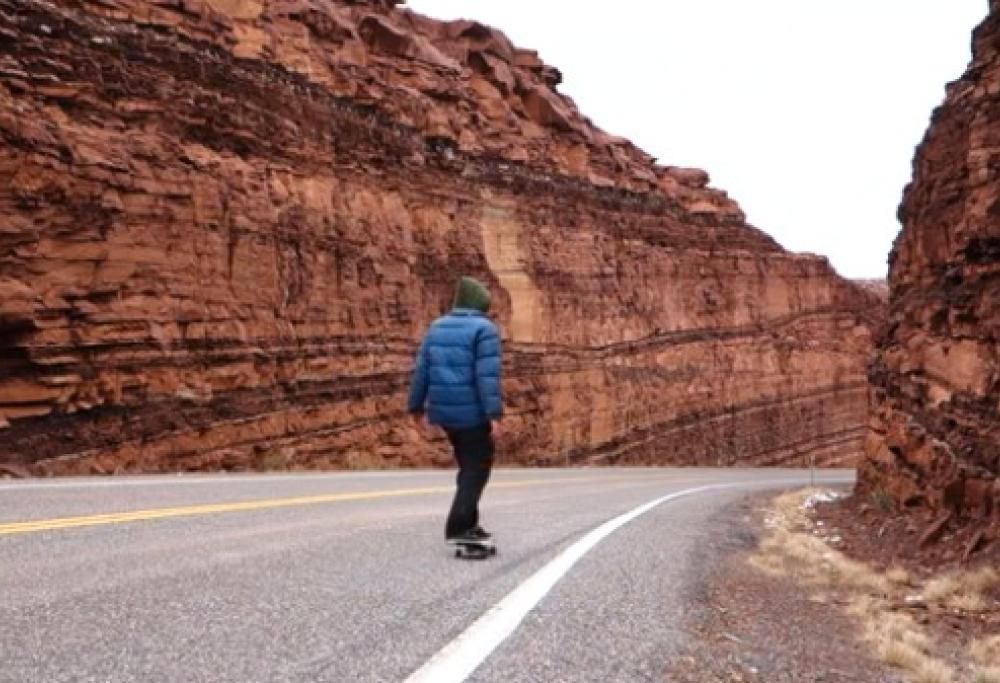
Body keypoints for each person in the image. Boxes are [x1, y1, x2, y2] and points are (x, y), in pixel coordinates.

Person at [408, 276, 503, 543]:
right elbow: (487, 376)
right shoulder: (484, 329)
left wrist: (415, 406)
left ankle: (469, 522)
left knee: (468, 466)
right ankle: (459, 527)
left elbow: (422, 370)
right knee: (477, 468)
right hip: (472, 413)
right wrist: (494, 415)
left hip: (444, 413)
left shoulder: (437, 327)